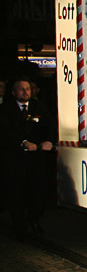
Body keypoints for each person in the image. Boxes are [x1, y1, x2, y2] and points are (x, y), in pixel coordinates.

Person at [0, 77, 56, 240]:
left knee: (40, 192)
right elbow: (5, 132)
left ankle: (32, 220)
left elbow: (50, 126)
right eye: (21, 89)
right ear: (13, 92)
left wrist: (49, 141)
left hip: (37, 159)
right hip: (14, 160)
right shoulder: (5, 109)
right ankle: (19, 227)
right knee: (16, 194)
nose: (25, 92)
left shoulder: (40, 107)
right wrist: (23, 142)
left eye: (27, 89)